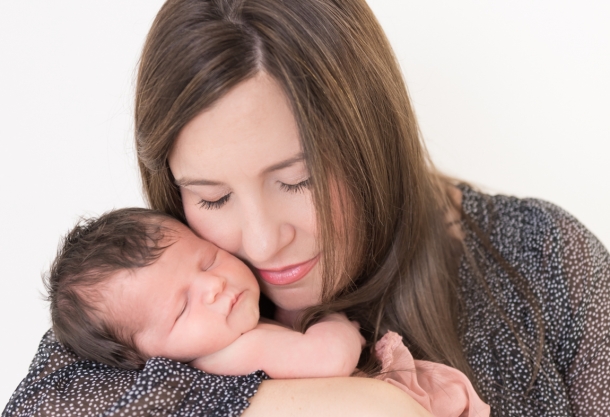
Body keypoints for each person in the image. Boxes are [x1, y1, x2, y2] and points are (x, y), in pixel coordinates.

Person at [4, 0, 609, 416]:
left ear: (373, 136)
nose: (263, 244)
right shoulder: (135, 294)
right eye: (211, 197)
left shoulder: (543, 256)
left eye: (298, 181)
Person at [45, 207, 489, 417]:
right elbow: (330, 360)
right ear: (145, 359)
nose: (214, 287)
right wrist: (335, 322)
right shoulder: (239, 350)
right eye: (182, 307)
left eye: (208, 260)